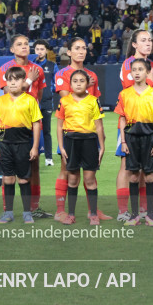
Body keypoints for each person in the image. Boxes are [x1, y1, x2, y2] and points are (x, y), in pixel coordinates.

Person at [52, 38, 111, 222]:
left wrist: (99, 131)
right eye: (77, 48)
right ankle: (61, 211)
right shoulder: (62, 74)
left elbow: (95, 101)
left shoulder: (92, 74)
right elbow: (66, 98)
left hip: (89, 130)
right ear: (68, 52)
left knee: (90, 171)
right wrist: (88, 84)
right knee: (67, 171)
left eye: (84, 48)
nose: (81, 51)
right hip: (71, 131)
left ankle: (93, 211)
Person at [115, 29, 153, 221]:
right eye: (143, 40)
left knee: (145, 165)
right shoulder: (128, 65)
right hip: (130, 124)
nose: (148, 43)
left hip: (148, 124)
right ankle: (123, 211)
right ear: (134, 44)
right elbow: (131, 92)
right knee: (128, 166)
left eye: (150, 40)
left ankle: (143, 209)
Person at [0, 35, 46, 215]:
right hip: (10, 123)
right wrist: (28, 81)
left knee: (34, 164)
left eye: (26, 43)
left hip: (31, 122)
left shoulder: (37, 69)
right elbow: (7, 93)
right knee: (8, 170)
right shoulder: (6, 68)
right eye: (19, 44)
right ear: (12, 49)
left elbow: (38, 97)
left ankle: (34, 207)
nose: (24, 47)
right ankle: (7, 208)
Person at [0, 67, 42, 224]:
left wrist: (34, 146)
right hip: (5, 143)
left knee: (23, 179)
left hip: (23, 143)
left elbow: (36, 124)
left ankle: (27, 212)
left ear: (23, 82)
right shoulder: (0, 101)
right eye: (10, 79)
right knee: (7, 178)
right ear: (6, 82)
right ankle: (8, 212)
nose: (13, 82)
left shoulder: (30, 100)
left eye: (17, 79)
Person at [56, 69, 105, 226]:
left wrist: (101, 146)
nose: (78, 84)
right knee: (73, 178)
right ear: (70, 84)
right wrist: (61, 146)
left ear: (87, 84)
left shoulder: (93, 100)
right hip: (71, 141)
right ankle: (70, 214)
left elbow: (98, 125)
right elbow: (59, 126)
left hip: (89, 141)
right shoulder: (64, 101)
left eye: (81, 81)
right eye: (75, 81)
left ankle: (93, 214)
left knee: (90, 179)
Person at [31, 39, 58, 168]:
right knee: (29, 130)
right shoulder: (30, 65)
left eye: (42, 49)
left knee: (46, 130)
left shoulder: (52, 65)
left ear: (46, 51)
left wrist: (49, 91)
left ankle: (48, 158)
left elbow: (57, 82)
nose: (39, 52)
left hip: (46, 102)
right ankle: (30, 155)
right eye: (37, 49)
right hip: (31, 103)